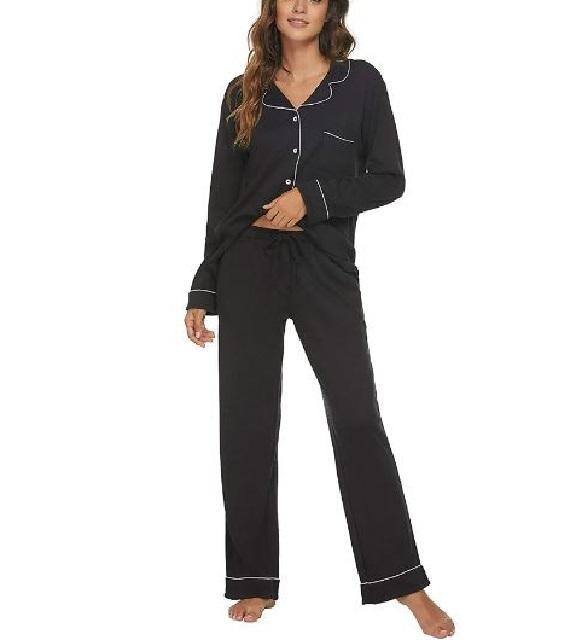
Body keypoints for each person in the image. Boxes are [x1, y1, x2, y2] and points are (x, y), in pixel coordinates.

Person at [183, 1, 455, 637]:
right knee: (247, 423)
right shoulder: (242, 91)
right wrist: (204, 284)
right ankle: (253, 579)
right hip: (246, 264)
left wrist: (314, 197)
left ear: (332, 7)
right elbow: (223, 196)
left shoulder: (361, 83)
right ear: (272, 7)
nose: (300, 5)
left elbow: (389, 178)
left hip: (325, 265)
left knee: (357, 416)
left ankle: (403, 582)